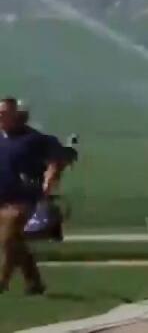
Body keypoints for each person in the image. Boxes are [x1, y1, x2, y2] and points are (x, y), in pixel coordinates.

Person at [0, 97, 67, 296]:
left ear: (16, 114)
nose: (0, 116)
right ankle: (34, 283)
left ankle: (1, 282)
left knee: (8, 238)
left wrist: (50, 176)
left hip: (24, 198)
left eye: (4, 113)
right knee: (16, 241)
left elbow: (57, 158)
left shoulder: (34, 138)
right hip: (2, 198)